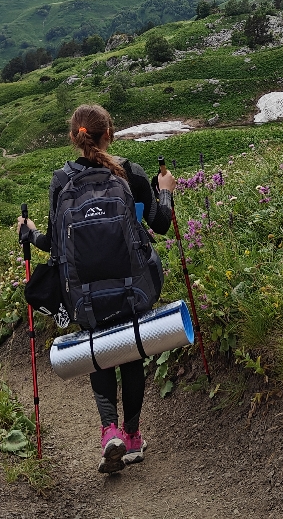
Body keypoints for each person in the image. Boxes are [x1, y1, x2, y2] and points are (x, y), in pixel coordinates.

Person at [17, 103, 175, 474]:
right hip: (131, 287)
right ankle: (134, 437)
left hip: (82, 294)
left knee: (97, 348)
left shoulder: (60, 181)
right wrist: (164, 190)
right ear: (110, 134)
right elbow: (162, 224)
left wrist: (29, 232)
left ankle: (109, 432)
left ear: (74, 138)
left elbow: (55, 246)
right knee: (130, 351)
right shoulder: (130, 173)